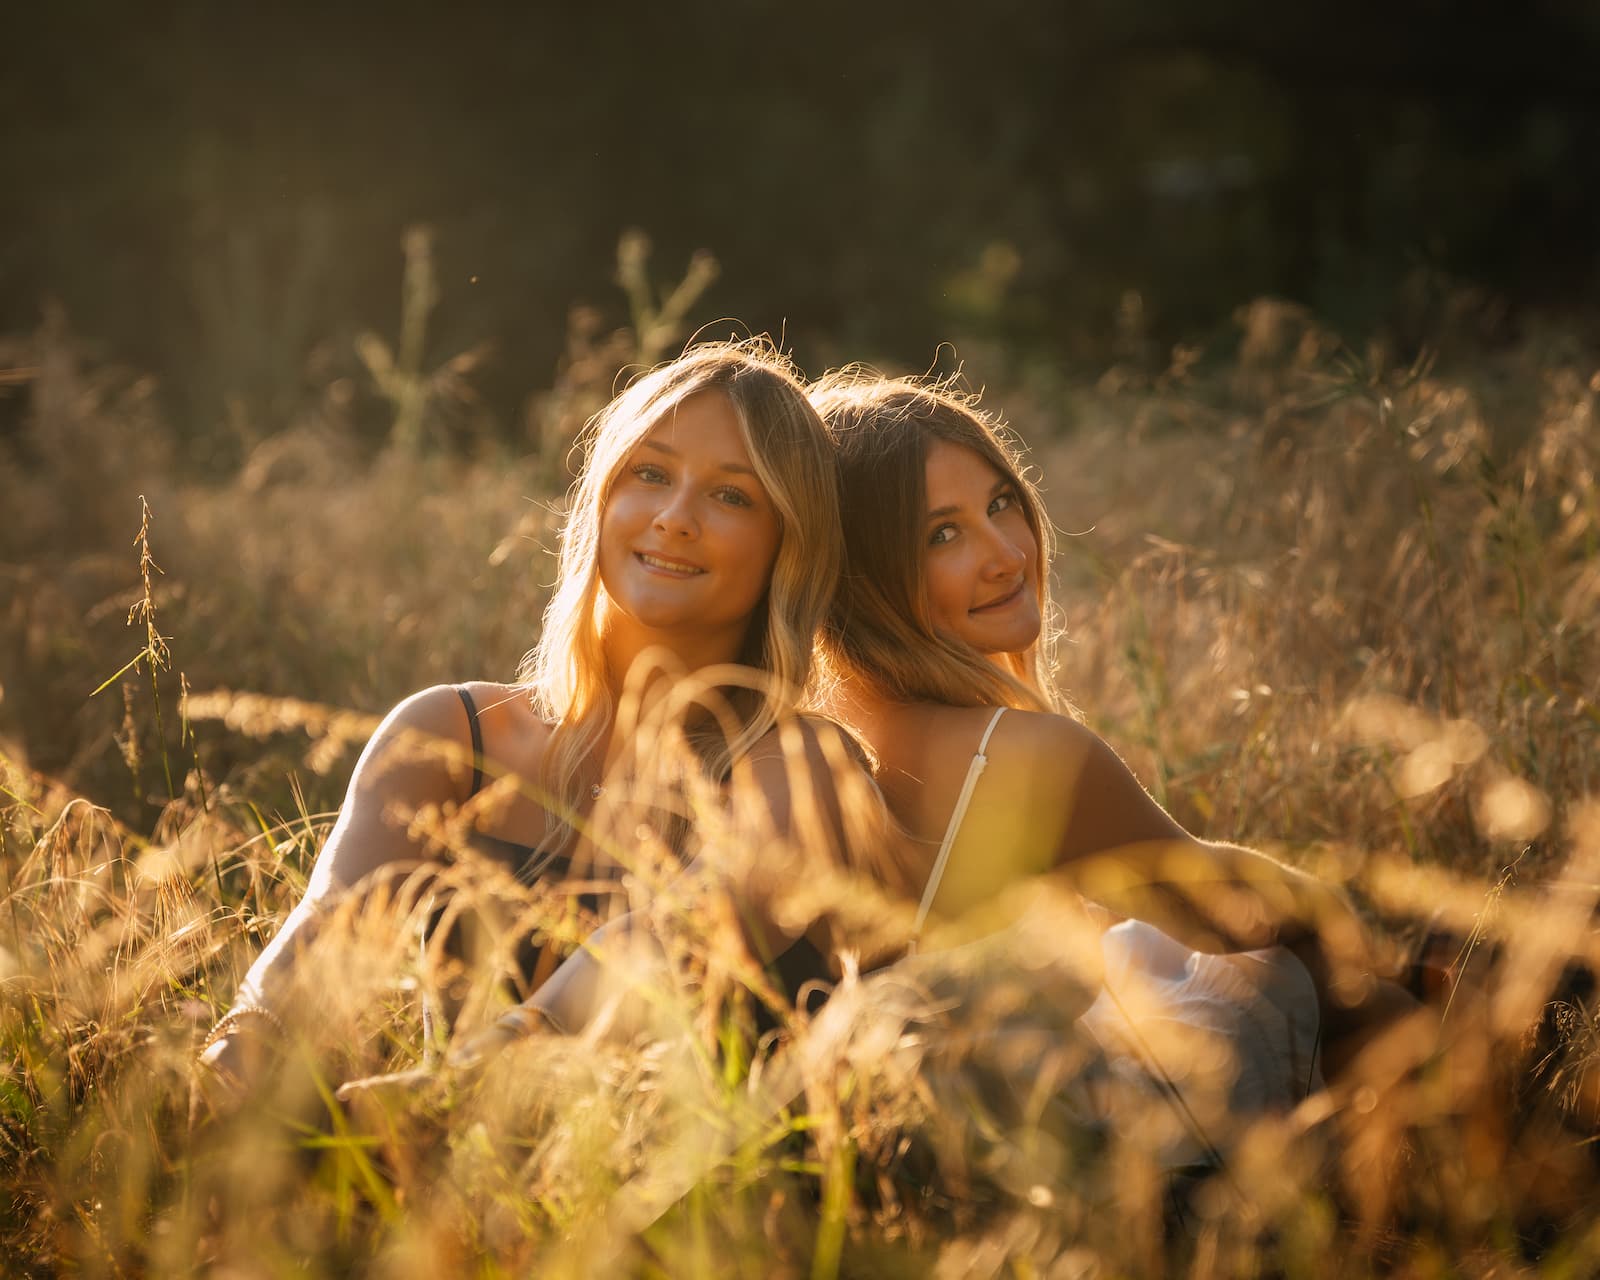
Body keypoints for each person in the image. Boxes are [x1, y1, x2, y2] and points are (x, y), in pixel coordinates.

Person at [197, 339, 847, 1097]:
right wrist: (231, 1064)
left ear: (788, 546)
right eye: (650, 474)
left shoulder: (800, 765)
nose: (674, 518)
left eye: (732, 495)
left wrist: (458, 1091)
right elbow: (315, 945)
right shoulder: (451, 736)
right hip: (448, 1202)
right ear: (602, 496)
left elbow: (677, 940)